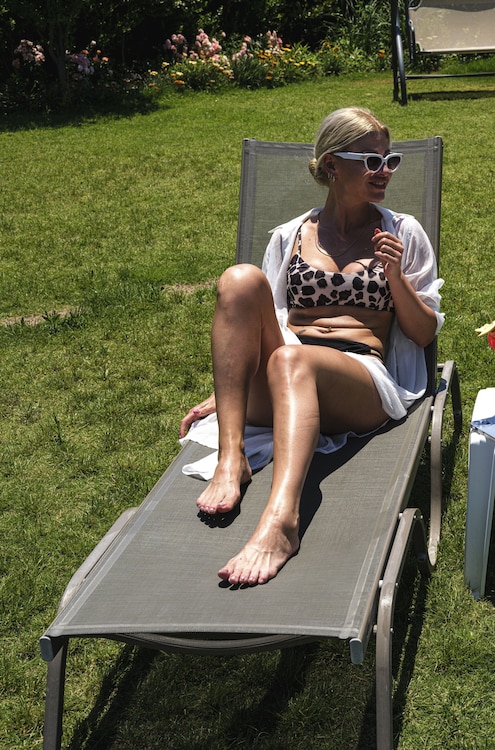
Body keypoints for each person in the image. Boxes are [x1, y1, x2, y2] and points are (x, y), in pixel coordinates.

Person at [179, 106, 443, 586]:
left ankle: (282, 520)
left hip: (360, 382)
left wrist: (396, 277)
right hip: (286, 369)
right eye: (371, 161)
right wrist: (227, 392)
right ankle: (231, 457)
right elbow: (262, 320)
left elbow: (424, 334)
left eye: (390, 160)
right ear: (331, 166)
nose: (384, 171)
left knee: (291, 359)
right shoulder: (291, 236)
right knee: (240, 279)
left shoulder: (402, 234)